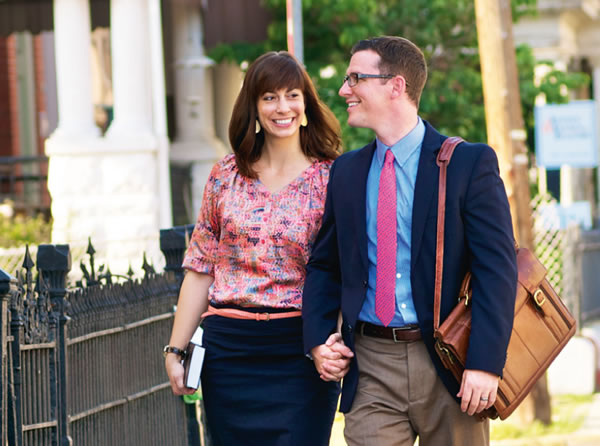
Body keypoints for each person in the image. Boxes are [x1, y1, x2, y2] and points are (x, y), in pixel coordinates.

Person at [302, 36, 518, 446]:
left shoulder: (468, 163)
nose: (345, 90)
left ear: (395, 86)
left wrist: (486, 363)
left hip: (449, 362)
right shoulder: (346, 172)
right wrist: (317, 340)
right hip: (371, 365)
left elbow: (496, 271)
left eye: (355, 79)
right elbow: (325, 265)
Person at [164, 51, 348, 446]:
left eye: (292, 95)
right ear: (254, 107)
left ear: (306, 105)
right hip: (229, 353)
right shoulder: (225, 175)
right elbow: (200, 267)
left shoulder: (331, 178)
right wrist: (175, 349)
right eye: (269, 97)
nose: (282, 107)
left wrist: (332, 338)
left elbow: (343, 270)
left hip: (302, 349)